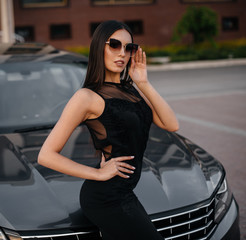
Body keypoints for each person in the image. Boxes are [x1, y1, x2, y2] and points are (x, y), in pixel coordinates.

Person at [38, 20, 179, 240]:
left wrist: (143, 83)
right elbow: (46, 155)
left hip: (123, 192)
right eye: (114, 45)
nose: (122, 53)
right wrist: (97, 173)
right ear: (99, 48)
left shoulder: (129, 90)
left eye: (128, 47)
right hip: (105, 197)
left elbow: (171, 124)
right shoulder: (86, 97)